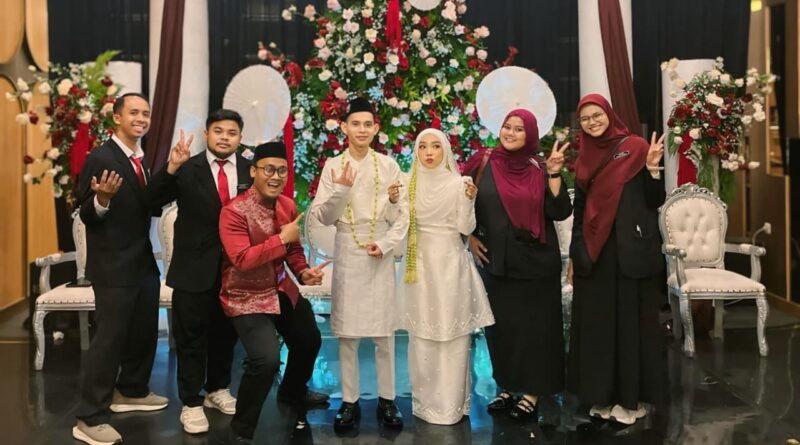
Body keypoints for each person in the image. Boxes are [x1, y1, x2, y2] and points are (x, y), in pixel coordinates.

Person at [464, 109, 573, 421]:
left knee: (536, 330)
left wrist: (554, 174)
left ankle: (533, 391)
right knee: (502, 329)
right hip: (496, 261)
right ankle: (507, 386)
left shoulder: (539, 167)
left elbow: (560, 211)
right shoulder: (482, 162)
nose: (510, 133)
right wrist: (470, 236)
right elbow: (459, 202)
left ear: (531, 135)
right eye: (507, 127)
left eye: (519, 129)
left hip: (536, 263)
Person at [73, 93, 168, 445]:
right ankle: (89, 417)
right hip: (113, 265)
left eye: (146, 113)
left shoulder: (140, 159)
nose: (141, 119)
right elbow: (85, 211)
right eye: (134, 113)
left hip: (141, 261)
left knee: (143, 331)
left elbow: (145, 205)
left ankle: (131, 390)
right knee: (108, 341)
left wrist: (172, 171)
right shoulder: (102, 157)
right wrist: (102, 199)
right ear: (116, 118)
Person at [218, 142, 329, 444]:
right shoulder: (233, 211)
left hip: (280, 287)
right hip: (245, 294)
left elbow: (293, 251)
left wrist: (303, 271)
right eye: (269, 169)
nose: (276, 176)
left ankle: (292, 392)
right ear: (254, 171)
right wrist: (281, 239)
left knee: (309, 339)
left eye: (282, 170)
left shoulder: (287, 205)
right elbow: (241, 259)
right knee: (266, 360)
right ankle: (241, 430)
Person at [309, 97, 408, 433]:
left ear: (376, 128)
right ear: (344, 127)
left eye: (368, 124)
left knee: (383, 333)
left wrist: (387, 240)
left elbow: (401, 216)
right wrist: (341, 190)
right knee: (348, 334)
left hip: (379, 250)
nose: (362, 130)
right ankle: (349, 401)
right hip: (349, 251)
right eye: (356, 124)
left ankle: (387, 399)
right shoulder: (333, 165)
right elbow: (324, 216)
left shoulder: (389, 165)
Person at [567, 94, 667, 426]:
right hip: (595, 255)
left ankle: (632, 400)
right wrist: (576, 254)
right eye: (585, 119)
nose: (592, 122)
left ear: (609, 114)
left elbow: (654, 201)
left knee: (631, 328)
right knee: (600, 329)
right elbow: (580, 211)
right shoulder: (584, 159)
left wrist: (652, 170)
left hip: (631, 253)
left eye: (597, 115)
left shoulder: (636, 147)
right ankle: (603, 397)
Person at [397, 128, 495, 425]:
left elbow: (465, 228)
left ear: (445, 151)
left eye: (435, 146)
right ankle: (425, 404)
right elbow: (398, 227)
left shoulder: (459, 183)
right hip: (418, 266)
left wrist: (468, 201)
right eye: (423, 146)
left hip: (450, 265)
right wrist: (392, 203)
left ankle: (452, 406)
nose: (429, 152)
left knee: (453, 336)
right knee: (421, 335)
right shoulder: (406, 182)